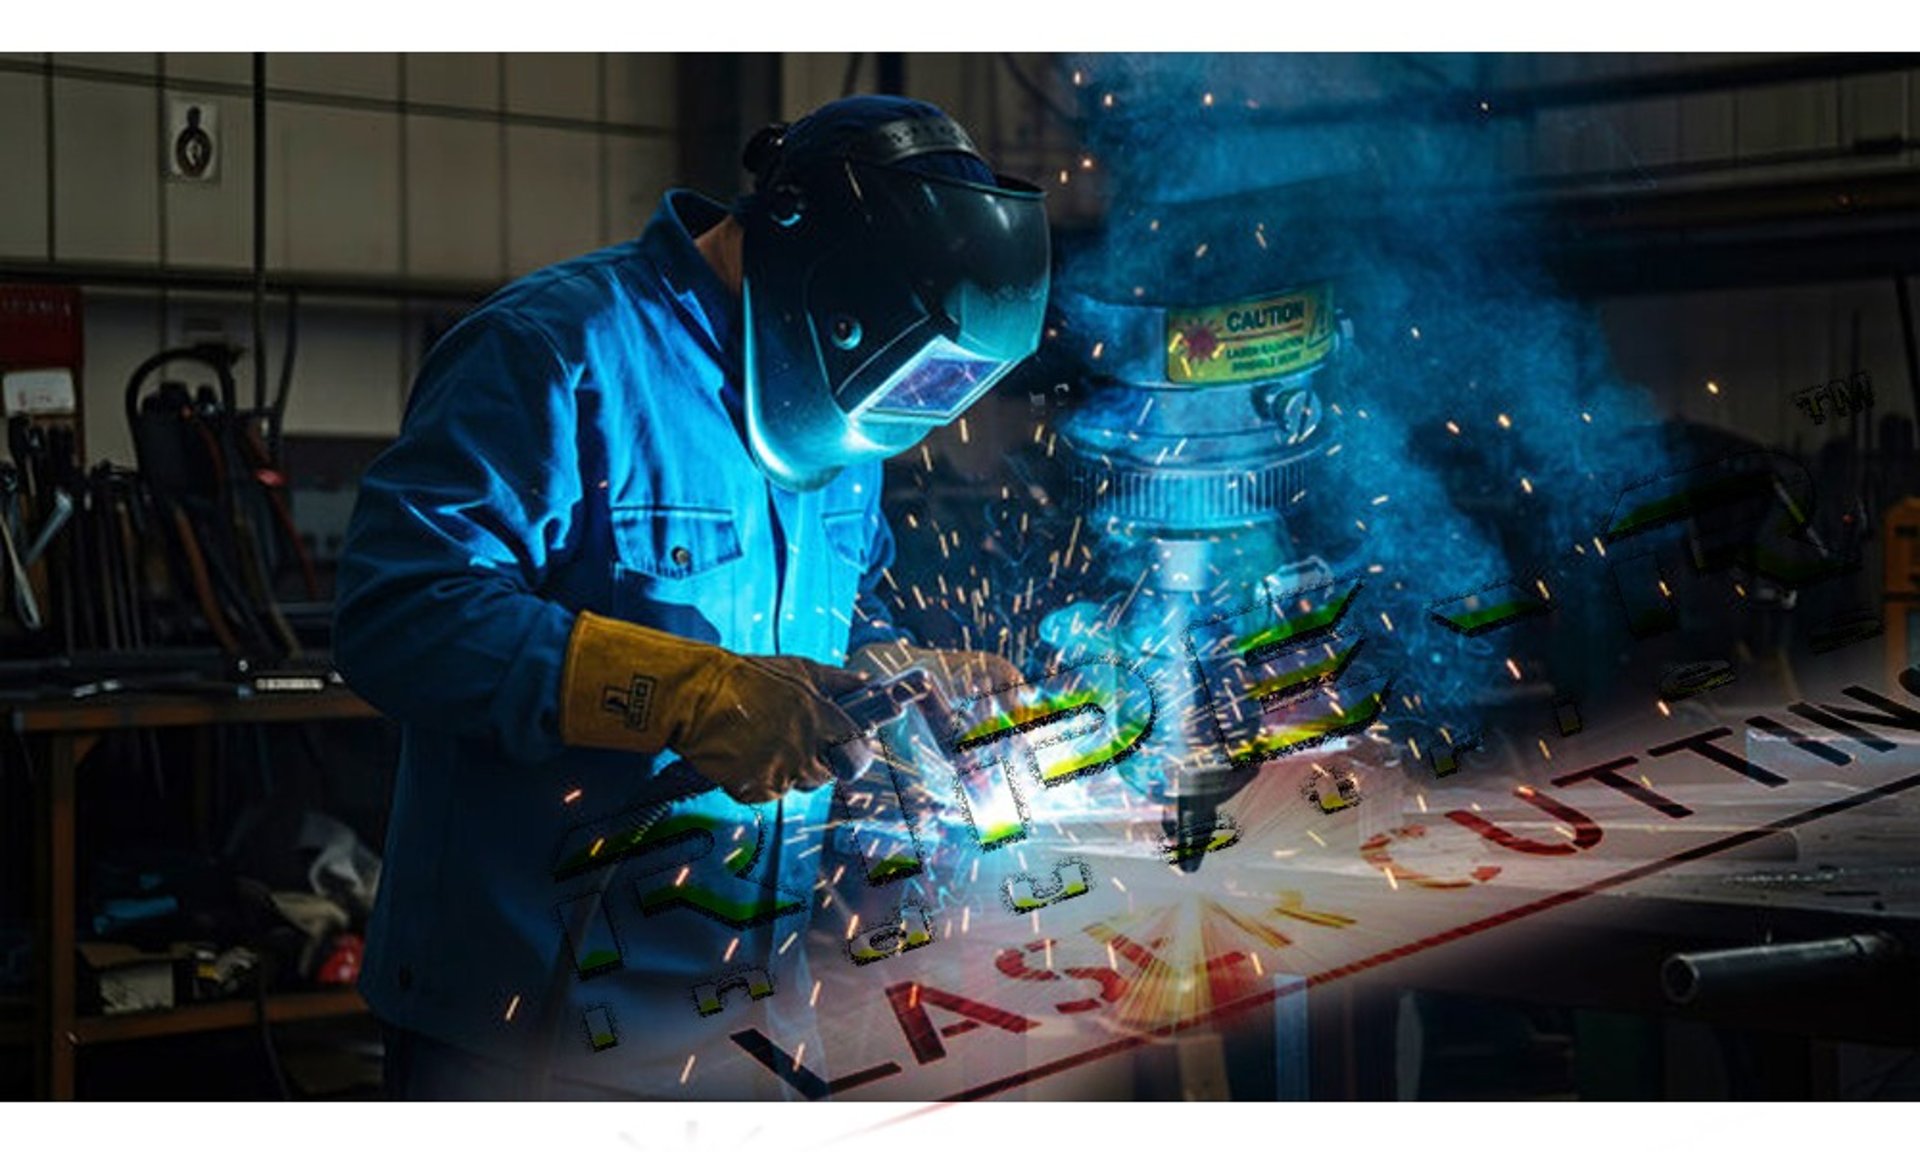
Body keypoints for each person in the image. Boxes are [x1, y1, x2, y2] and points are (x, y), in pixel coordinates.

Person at [333, 94, 1050, 1100]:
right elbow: (398, 612)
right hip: (530, 1032)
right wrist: (683, 693)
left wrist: (898, 672)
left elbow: (846, 612)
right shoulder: (558, 350)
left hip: (757, 1020)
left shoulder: (840, 407)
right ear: (821, 271)